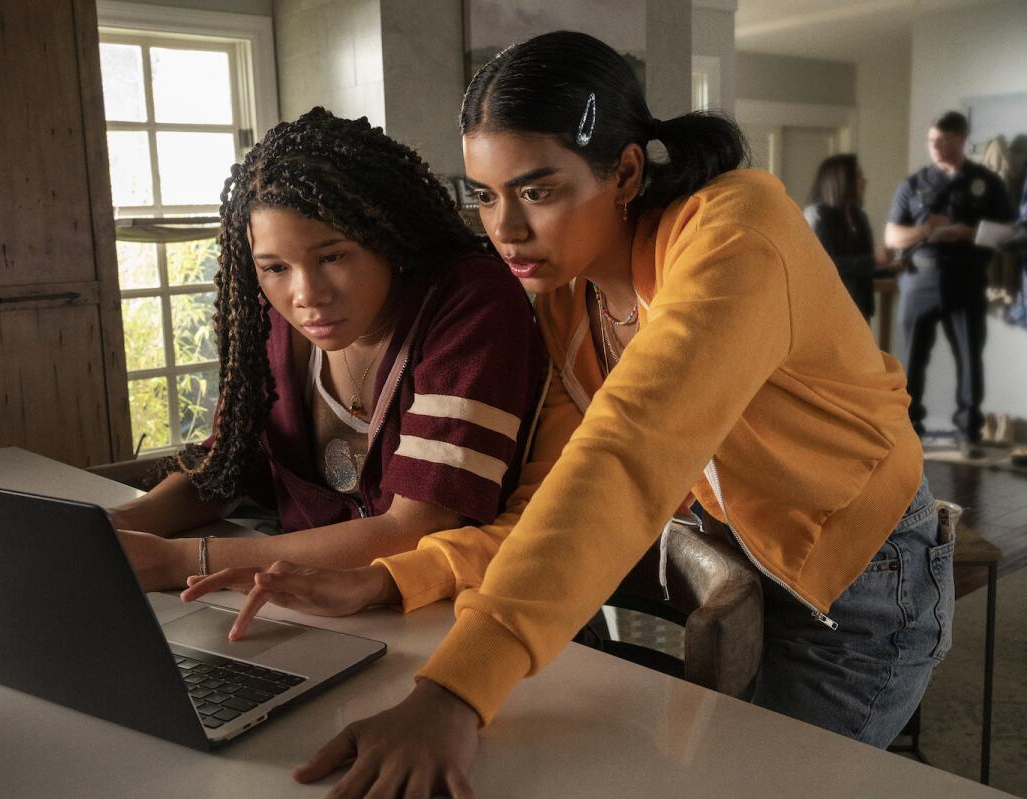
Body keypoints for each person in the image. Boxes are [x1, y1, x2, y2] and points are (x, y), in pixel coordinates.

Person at [184, 31, 955, 797]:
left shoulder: (737, 238)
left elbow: (622, 459)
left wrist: (455, 690)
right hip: (741, 557)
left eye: (538, 190)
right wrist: (392, 579)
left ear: (623, 171)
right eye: (484, 194)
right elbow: (548, 500)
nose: (505, 229)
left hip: (864, 583)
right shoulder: (564, 292)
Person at [109, 108, 546, 592]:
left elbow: (417, 529)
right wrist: (122, 522)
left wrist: (180, 561)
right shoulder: (277, 324)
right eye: (275, 268)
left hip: (463, 611)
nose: (306, 294)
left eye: (331, 256)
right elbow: (229, 467)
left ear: (387, 237)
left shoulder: (469, 299)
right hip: (311, 605)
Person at [885, 111, 1015, 457]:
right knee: (911, 360)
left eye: (943, 141)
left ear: (961, 138)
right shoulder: (913, 185)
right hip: (919, 279)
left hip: (966, 277)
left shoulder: (986, 182)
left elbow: (1008, 232)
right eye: (932, 141)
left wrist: (966, 232)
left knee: (969, 357)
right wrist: (927, 230)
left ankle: (968, 432)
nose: (936, 148)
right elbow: (892, 235)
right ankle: (908, 431)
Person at [804, 154, 878, 322]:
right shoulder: (816, 216)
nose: (864, 181)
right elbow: (824, 264)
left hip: (859, 307)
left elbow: (863, 262)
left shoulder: (859, 216)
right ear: (841, 180)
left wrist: (889, 264)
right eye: (858, 176)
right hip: (828, 309)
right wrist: (874, 261)